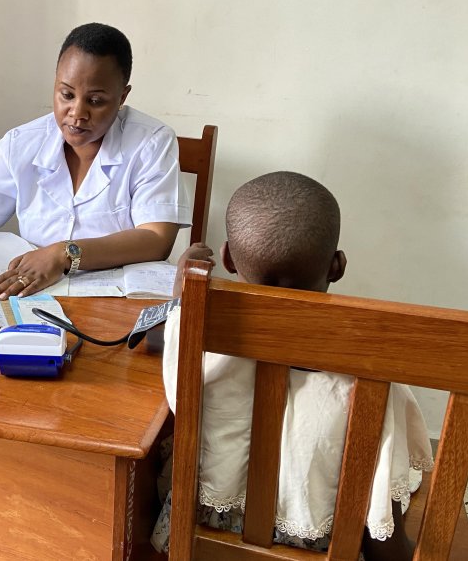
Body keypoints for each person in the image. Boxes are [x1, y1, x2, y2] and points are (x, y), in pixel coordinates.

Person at [152, 171, 433, 560]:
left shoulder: (195, 333)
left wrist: (182, 298)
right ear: (337, 266)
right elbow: (381, 492)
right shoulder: (371, 368)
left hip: (206, 529)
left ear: (229, 259)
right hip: (317, 543)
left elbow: (176, 395)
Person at [0, 23, 192, 298]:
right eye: (66, 94)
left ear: (122, 96)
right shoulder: (24, 141)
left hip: (117, 298)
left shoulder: (151, 141)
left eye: (96, 101)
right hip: (31, 292)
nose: (76, 113)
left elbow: (157, 239)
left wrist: (64, 253)